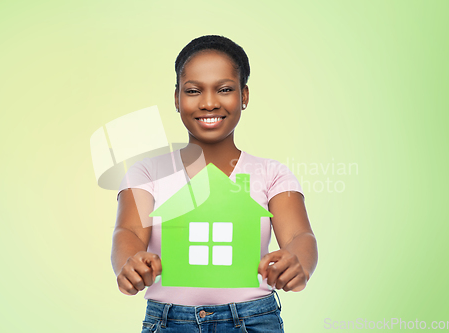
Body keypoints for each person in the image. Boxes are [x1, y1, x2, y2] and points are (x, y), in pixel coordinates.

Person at [111, 35, 318, 332]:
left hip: (253, 320)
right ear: (176, 98)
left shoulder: (272, 174)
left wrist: (298, 263)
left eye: (224, 89)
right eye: (193, 91)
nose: (209, 103)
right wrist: (129, 263)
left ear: (244, 96)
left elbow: (300, 235)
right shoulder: (146, 172)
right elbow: (128, 230)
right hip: (169, 322)